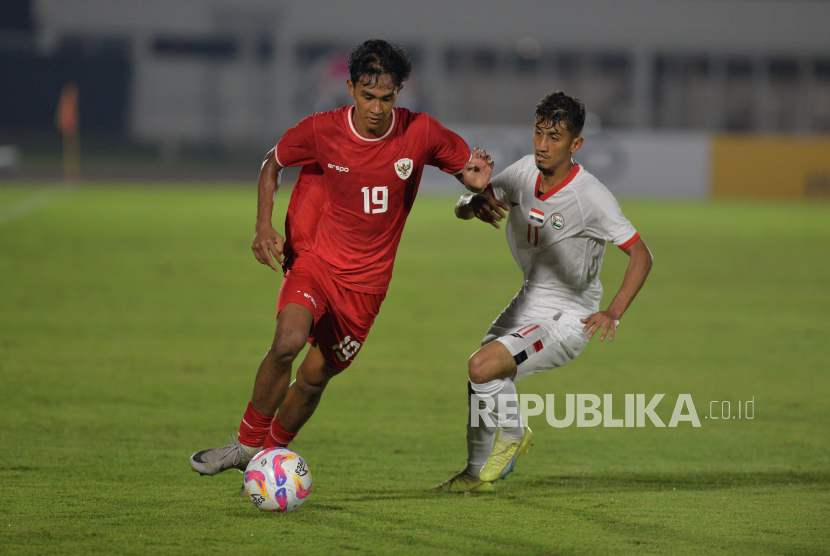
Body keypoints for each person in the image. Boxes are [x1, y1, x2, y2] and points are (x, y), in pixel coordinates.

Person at [189, 40, 494, 477]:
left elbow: (469, 172)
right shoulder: (322, 129)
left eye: (386, 98)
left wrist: (477, 183)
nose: (376, 108)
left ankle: (264, 461)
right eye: (367, 96)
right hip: (316, 259)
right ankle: (244, 444)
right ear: (350, 88)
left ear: (398, 92)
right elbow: (272, 163)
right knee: (287, 343)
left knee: (314, 379)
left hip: (367, 285)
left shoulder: (420, 132)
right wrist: (263, 225)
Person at [432, 92, 653, 492]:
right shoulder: (521, 174)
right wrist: (472, 195)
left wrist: (614, 311)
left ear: (576, 144)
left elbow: (641, 254)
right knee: (481, 378)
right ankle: (473, 473)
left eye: (555, 137)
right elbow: (469, 205)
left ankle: (515, 436)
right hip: (529, 300)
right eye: (538, 133)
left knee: (482, 368)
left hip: (568, 317)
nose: (542, 145)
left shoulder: (591, 195)